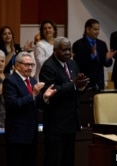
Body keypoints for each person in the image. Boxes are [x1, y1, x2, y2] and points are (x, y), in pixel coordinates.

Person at [39, 37, 89, 166]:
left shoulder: (72, 64)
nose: (67, 52)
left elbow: (76, 88)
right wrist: (73, 85)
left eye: (69, 49)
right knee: (54, 160)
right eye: (64, 50)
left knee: (68, 159)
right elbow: (51, 91)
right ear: (55, 50)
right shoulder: (48, 66)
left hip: (71, 121)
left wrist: (81, 87)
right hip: (56, 124)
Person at [3, 52, 56, 166]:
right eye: (27, 65)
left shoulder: (32, 81)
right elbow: (13, 104)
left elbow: (36, 103)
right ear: (17, 65)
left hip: (31, 134)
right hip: (17, 134)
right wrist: (33, 94)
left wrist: (45, 97)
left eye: (32, 65)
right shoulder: (10, 81)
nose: (30, 68)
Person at [72, 18, 116, 90]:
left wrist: (107, 58)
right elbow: (78, 64)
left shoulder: (102, 44)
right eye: (95, 29)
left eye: (98, 29)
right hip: (85, 83)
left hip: (99, 82)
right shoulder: (78, 44)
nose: (97, 32)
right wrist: (92, 55)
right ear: (88, 30)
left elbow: (107, 64)